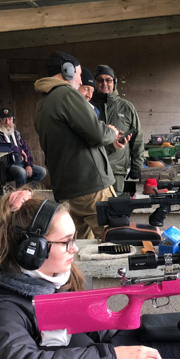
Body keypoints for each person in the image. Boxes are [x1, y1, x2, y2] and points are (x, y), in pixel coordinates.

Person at [0, 190, 163, 359]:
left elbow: (89, 325)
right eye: (66, 242)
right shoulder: (0, 309)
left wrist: (144, 332)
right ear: (33, 249)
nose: (75, 249)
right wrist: (114, 356)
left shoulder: (51, 282)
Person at [34, 52, 130, 239]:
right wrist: (110, 131)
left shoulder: (43, 103)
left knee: (78, 245)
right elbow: (98, 134)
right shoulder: (67, 94)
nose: (79, 81)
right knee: (115, 239)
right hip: (92, 187)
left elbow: (72, 144)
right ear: (67, 71)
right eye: (78, 75)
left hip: (66, 189)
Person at [91, 64, 145, 195]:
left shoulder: (127, 107)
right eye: (100, 80)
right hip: (92, 170)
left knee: (114, 210)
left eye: (108, 80)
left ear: (114, 82)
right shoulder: (87, 105)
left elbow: (137, 139)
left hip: (117, 171)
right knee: (94, 211)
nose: (104, 83)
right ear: (94, 82)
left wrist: (137, 167)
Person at [0, 108, 46, 189]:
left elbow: (26, 149)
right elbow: (3, 147)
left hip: (20, 163)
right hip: (6, 165)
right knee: (21, 172)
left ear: (13, 120)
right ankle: (19, 195)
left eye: (10, 119)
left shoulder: (15, 133)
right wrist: (19, 150)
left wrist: (28, 165)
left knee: (42, 171)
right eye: (4, 119)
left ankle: (25, 191)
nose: (7, 122)